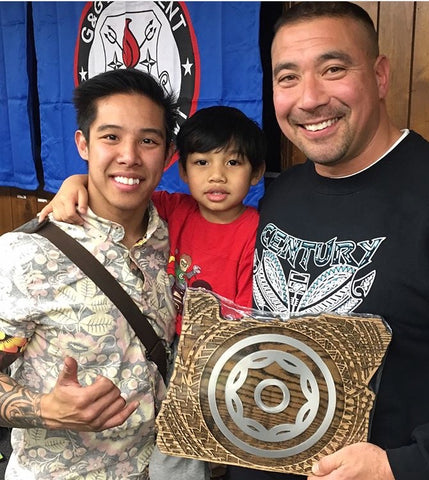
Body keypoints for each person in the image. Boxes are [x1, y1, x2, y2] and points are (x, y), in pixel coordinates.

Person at [243, 2, 429, 480]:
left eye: (333, 69)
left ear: (380, 76)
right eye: (287, 78)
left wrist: (400, 465)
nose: (308, 98)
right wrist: (82, 193)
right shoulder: (276, 194)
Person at [38, 105, 267, 480]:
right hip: (160, 349)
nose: (217, 177)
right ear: (182, 170)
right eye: (202, 163)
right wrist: (72, 184)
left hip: (212, 357)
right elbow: (110, 192)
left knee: (182, 449)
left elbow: (244, 314)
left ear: (256, 172)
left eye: (233, 163)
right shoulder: (173, 208)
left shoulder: (253, 229)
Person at [0, 68, 177, 479]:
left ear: (168, 154)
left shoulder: (173, 236)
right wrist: (46, 409)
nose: (129, 155)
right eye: (111, 137)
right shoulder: (26, 255)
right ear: (84, 143)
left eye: (147, 140)